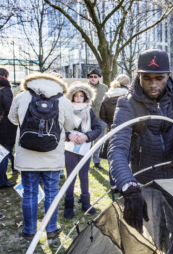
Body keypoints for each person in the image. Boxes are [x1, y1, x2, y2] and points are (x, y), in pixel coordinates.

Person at [108, 49, 173, 234]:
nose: (153, 84)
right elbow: (117, 149)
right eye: (147, 78)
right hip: (145, 182)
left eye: (159, 78)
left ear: (169, 75)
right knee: (154, 236)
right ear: (138, 75)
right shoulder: (127, 104)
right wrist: (129, 186)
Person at [8, 73, 75, 241]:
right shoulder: (64, 100)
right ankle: (51, 229)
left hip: (27, 153)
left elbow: (12, 119)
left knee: (29, 192)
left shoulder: (22, 96)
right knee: (52, 192)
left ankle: (29, 231)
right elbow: (70, 125)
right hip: (52, 155)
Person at [63, 82, 102, 219]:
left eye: (81, 96)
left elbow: (98, 128)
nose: (78, 98)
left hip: (85, 147)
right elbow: (59, 128)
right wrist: (69, 135)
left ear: (86, 97)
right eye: (76, 95)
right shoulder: (66, 109)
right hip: (69, 148)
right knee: (71, 176)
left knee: (84, 175)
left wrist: (87, 136)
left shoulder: (89, 110)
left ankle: (86, 204)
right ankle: (68, 206)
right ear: (71, 96)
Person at [100, 74, 130, 188]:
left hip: (111, 129)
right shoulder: (128, 95)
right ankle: (123, 183)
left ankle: (113, 183)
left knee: (113, 155)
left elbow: (102, 114)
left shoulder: (107, 96)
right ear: (127, 84)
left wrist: (109, 122)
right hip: (126, 129)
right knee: (124, 157)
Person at [87, 68, 108, 170]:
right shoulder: (84, 87)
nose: (93, 78)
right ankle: (85, 162)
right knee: (86, 141)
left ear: (99, 77)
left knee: (98, 141)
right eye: (91, 76)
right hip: (86, 119)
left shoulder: (105, 88)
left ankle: (96, 162)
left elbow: (108, 103)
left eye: (95, 76)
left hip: (100, 118)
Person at [0, 67, 17, 189]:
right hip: (4, 127)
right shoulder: (5, 90)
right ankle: (2, 181)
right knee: (3, 153)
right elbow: (11, 109)